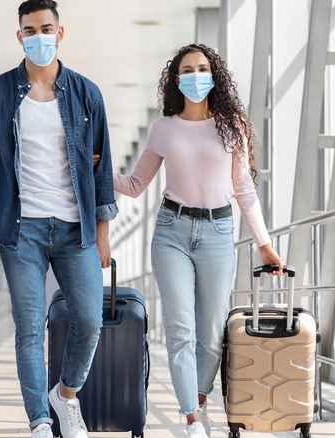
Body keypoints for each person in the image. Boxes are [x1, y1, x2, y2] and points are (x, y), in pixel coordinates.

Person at [0, 1, 118, 437]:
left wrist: (103, 233)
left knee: (91, 322)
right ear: (19, 36)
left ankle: (65, 394)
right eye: (29, 30)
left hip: (75, 228)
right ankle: (39, 421)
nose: (38, 36)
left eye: (46, 28)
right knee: (28, 328)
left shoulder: (86, 93)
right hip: (20, 228)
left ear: (60, 33)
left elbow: (101, 170)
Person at [112, 44, 283, 438]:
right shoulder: (164, 128)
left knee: (210, 336)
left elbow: (244, 190)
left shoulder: (232, 125)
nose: (195, 75)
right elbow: (136, 185)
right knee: (181, 331)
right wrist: (98, 172)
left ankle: (199, 401)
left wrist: (264, 243)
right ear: (177, 79)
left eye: (202, 68)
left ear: (213, 74)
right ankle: (192, 418)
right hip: (171, 231)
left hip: (219, 233)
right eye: (187, 70)